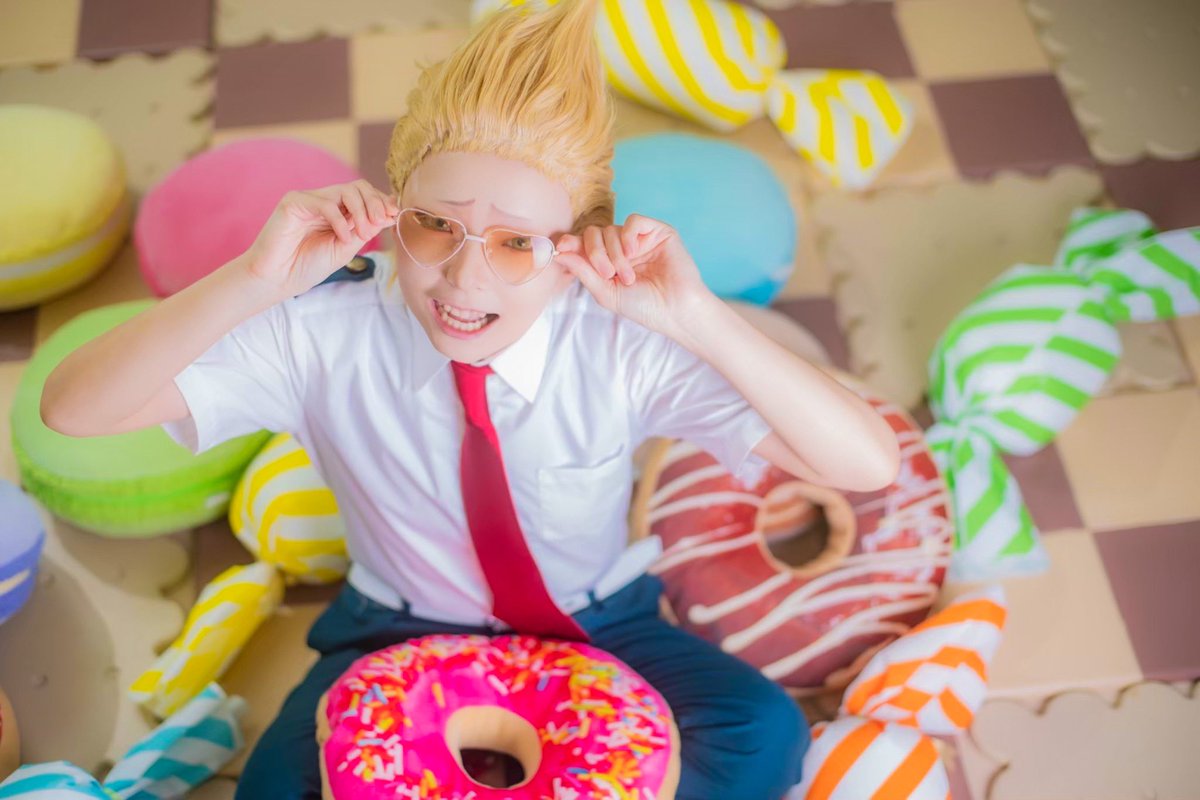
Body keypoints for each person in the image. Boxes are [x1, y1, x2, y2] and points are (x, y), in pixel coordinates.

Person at [40, 1, 900, 797]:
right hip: (395, 625)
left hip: (599, 618)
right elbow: (73, 411)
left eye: (517, 244)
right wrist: (254, 279)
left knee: (764, 734)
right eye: (435, 226)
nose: (464, 278)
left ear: (574, 249)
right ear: (393, 210)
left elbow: (867, 465)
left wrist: (697, 315)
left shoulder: (619, 341)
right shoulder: (322, 328)